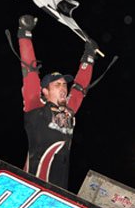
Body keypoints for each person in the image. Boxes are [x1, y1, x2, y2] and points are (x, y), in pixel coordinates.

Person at [16, 14, 98, 189]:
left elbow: (79, 88)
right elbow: (30, 72)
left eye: (64, 84)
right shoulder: (36, 107)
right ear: (45, 91)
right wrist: (24, 35)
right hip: (32, 184)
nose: (63, 88)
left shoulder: (69, 110)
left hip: (59, 188)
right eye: (57, 85)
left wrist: (88, 57)